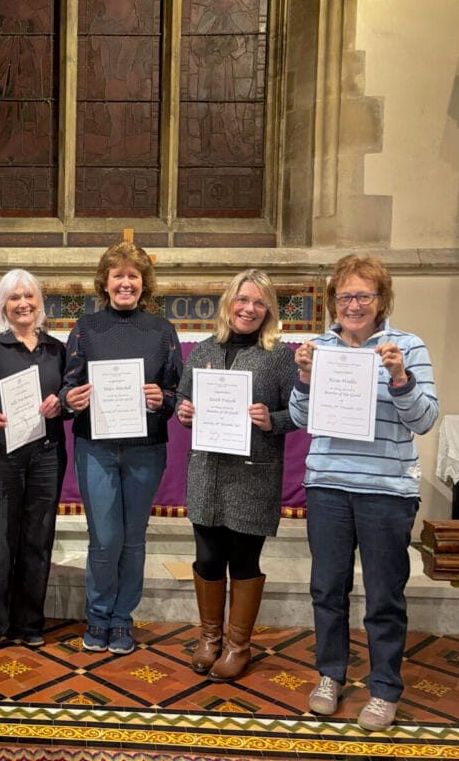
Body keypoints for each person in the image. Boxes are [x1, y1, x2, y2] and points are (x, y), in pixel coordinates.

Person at [289, 254, 439, 732]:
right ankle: (330, 675)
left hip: (386, 491)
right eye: (345, 296)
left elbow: (425, 419)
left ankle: (383, 689)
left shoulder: (407, 347)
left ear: (381, 300)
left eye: (363, 296)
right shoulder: (319, 348)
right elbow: (297, 417)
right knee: (327, 589)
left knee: (384, 596)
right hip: (329, 485)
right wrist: (305, 379)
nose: (353, 305)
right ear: (334, 301)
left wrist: (399, 378)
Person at [60, 240, 182, 655]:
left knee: (133, 539)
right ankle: (98, 616)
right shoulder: (86, 328)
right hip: (96, 447)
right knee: (105, 538)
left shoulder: (162, 332)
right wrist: (70, 399)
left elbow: (177, 392)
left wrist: (161, 400)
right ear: (105, 282)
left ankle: (122, 620)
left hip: (145, 448)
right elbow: (68, 383)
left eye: (134, 275)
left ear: (144, 283)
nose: (126, 282)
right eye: (118, 275)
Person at [175, 269, 297, 681]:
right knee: (207, 557)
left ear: (269, 311)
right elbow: (182, 398)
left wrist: (271, 419)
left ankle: (238, 645)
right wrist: (184, 411)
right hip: (207, 472)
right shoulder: (203, 350)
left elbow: (299, 412)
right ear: (228, 303)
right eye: (243, 300)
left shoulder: (279, 356)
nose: (249, 309)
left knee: (244, 559)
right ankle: (210, 639)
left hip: (252, 475)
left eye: (259, 303)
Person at [0, 269, 67, 651]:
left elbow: (69, 398)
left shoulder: (56, 349)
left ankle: (29, 622)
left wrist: (62, 404)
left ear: (39, 303)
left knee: (37, 539)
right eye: (14, 297)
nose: (23, 303)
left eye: (29, 297)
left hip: (45, 457)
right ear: (2, 305)